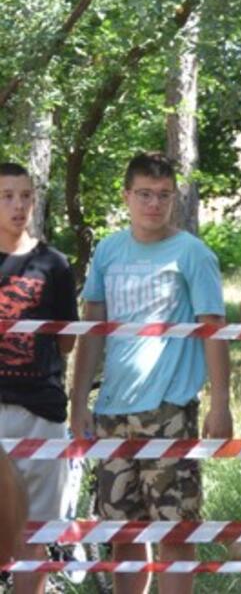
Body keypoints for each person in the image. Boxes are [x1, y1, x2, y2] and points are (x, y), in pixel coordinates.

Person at [70, 151, 231, 594]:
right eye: (144, 194)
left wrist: (221, 403)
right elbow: (92, 330)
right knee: (122, 534)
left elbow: (213, 330)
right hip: (112, 410)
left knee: (175, 533)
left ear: (174, 198)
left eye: (163, 195)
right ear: (126, 196)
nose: (154, 204)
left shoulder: (193, 254)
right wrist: (78, 399)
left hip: (169, 409)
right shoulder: (107, 250)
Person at [0, 162, 78, 594]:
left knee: (36, 537)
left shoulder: (56, 265)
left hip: (43, 412)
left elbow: (67, 342)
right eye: (7, 196)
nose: (18, 205)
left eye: (25, 196)